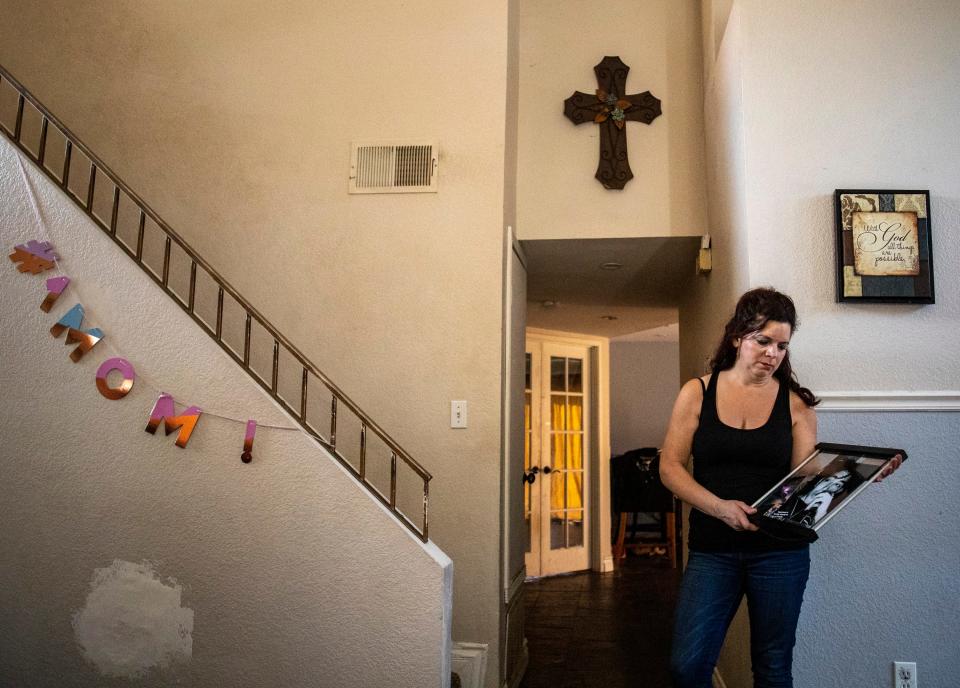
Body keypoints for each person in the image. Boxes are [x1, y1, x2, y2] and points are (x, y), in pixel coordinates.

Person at [659, 288, 898, 688]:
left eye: (782, 345)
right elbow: (670, 466)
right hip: (712, 549)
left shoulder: (797, 405)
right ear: (737, 337)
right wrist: (719, 507)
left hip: (779, 554)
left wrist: (861, 473)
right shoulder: (696, 392)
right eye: (763, 341)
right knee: (687, 666)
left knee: (772, 668)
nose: (772, 353)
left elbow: (804, 485)